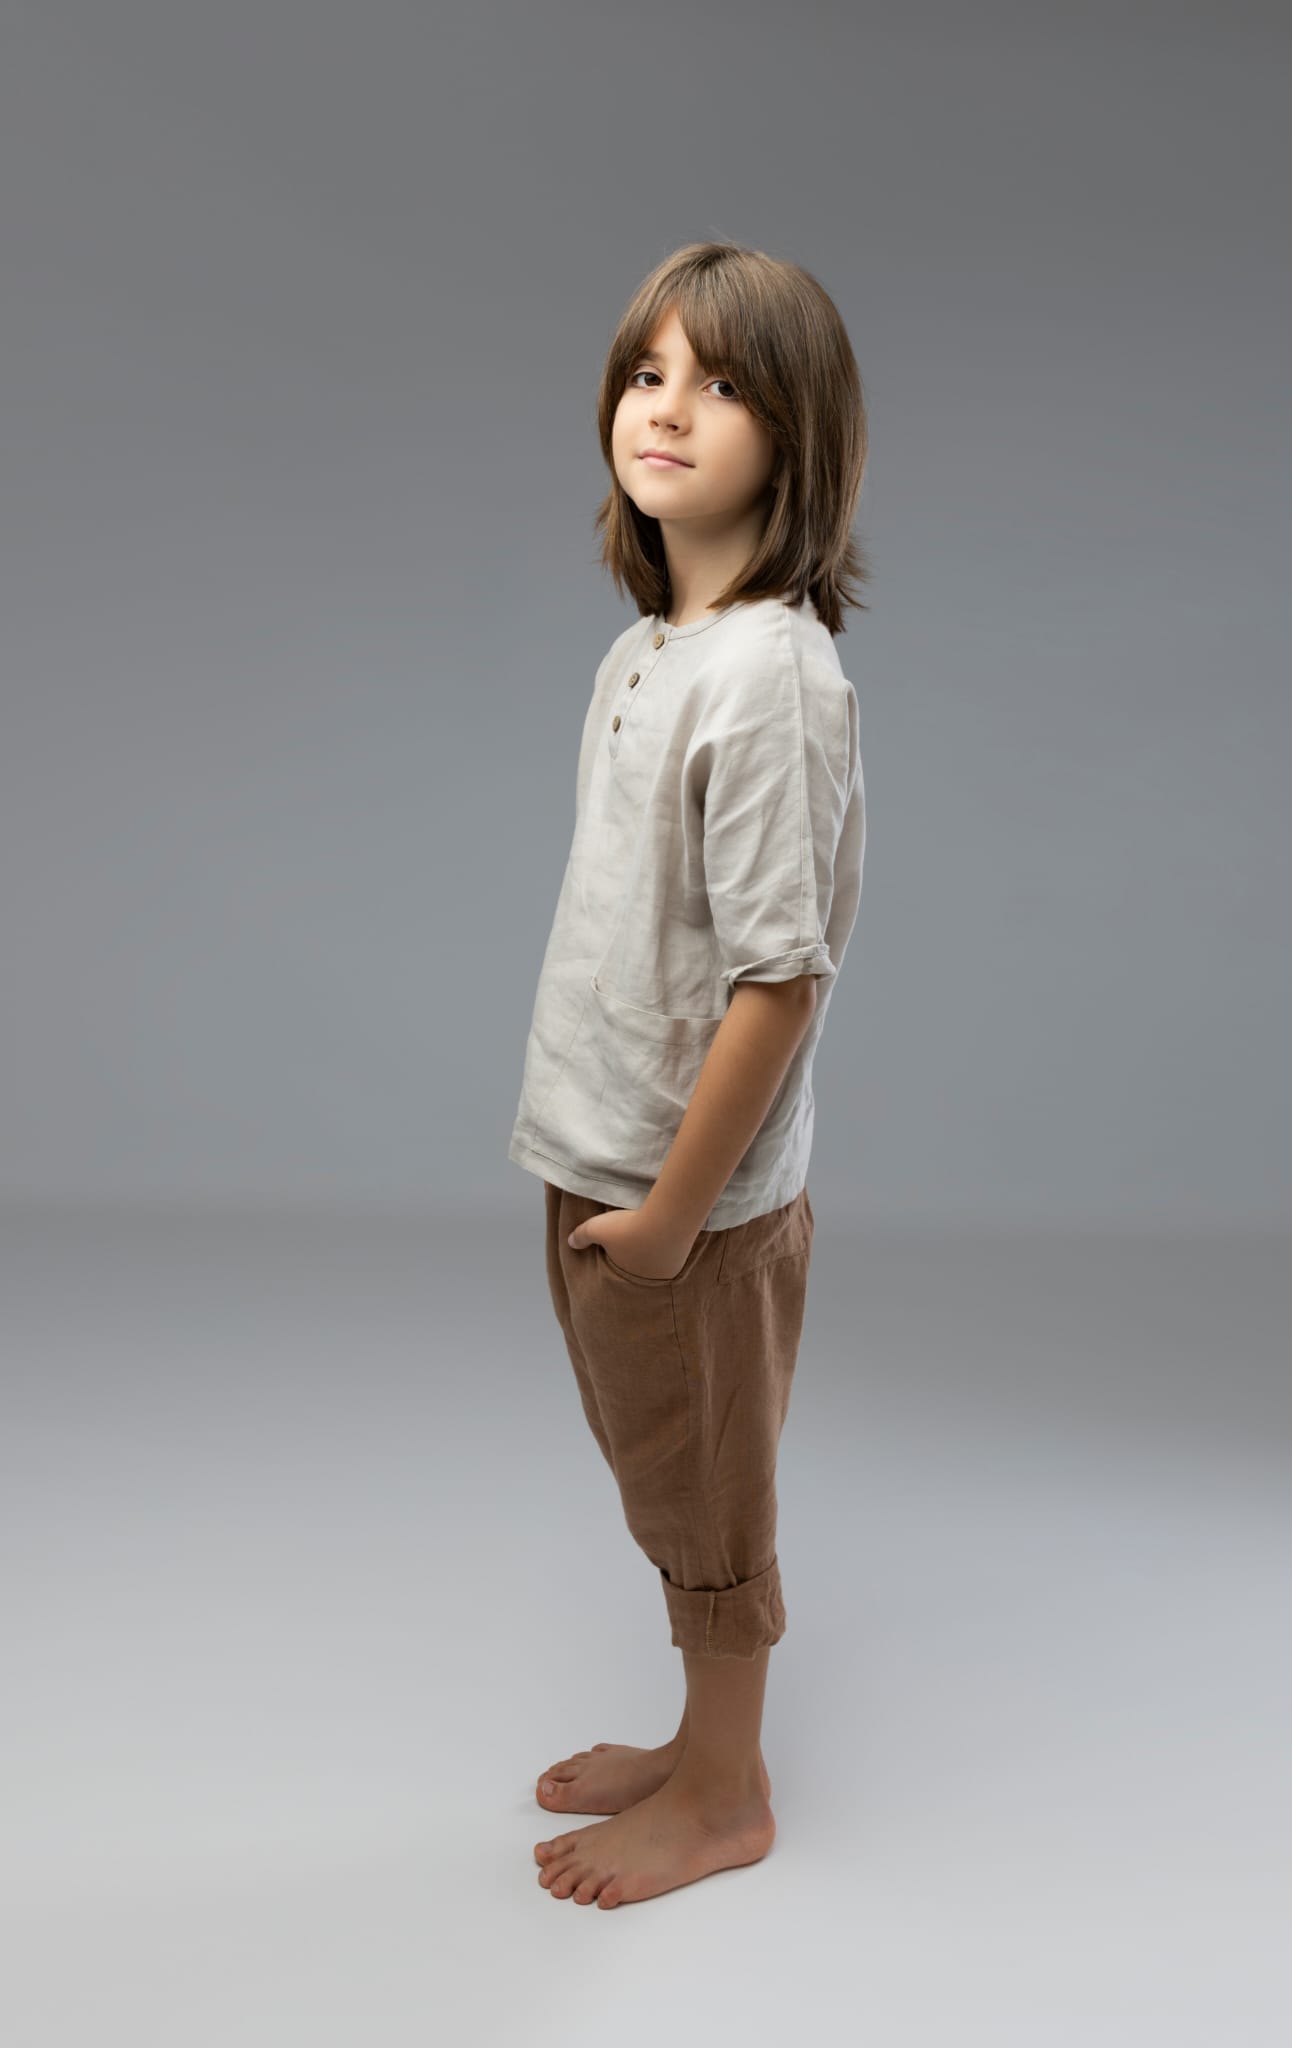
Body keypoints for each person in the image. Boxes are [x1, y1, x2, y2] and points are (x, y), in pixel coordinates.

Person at [506, 239, 869, 1908]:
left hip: (686, 1199)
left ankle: (724, 1793)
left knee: (710, 1490)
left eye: (722, 385)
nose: (667, 408)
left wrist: (669, 1214)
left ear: (796, 437)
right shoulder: (657, 643)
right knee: (663, 1469)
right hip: (606, 1156)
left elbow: (778, 981)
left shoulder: (770, 676)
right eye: (647, 373)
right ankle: (697, 1740)